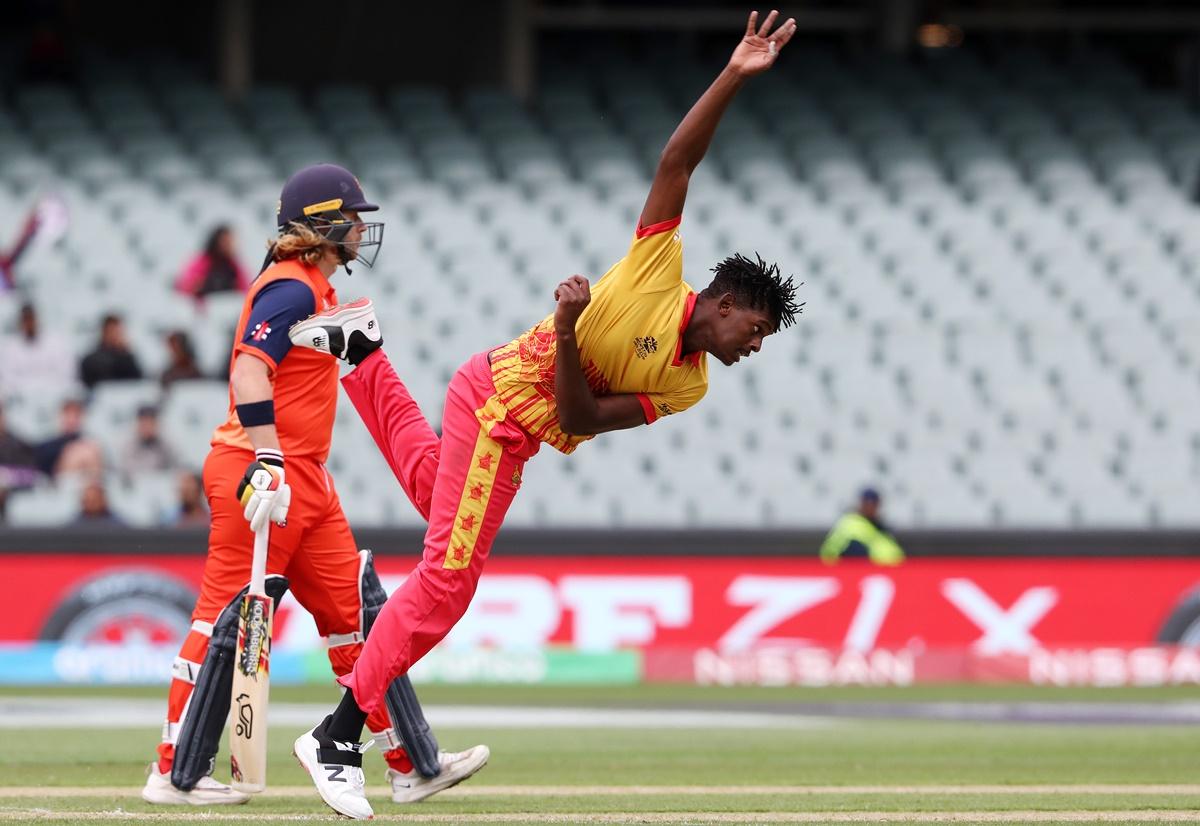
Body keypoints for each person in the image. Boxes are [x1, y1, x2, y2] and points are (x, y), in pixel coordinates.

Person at [287, 11, 800, 819]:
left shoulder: (690, 383)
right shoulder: (658, 266)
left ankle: (361, 354)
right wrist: (736, 72)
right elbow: (679, 158)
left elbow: (585, 415)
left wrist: (565, 330)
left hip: (511, 419)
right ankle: (337, 736)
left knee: (434, 504)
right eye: (757, 330)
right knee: (446, 583)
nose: (755, 347)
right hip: (496, 409)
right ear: (727, 302)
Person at [142, 163, 486, 808]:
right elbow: (248, 372)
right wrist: (268, 459)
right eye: (352, 217)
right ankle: (172, 771)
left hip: (309, 480)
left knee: (357, 621)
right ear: (323, 224)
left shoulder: (319, 293)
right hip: (260, 470)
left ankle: (412, 762)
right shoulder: (290, 290)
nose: (361, 228)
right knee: (222, 618)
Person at [0, 302, 75, 400]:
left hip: (54, 397)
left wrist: (45, 388)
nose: (29, 324)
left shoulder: (56, 342)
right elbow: (8, 379)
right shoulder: (10, 347)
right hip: (21, 398)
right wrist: (29, 389)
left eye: (31, 319)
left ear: (37, 319)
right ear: (20, 322)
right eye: (25, 320)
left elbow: (66, 374)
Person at [819, 487, 905, 566]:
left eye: (874, 503)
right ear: (861, 504)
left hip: (883, 574)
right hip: (859, 572)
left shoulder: (881, 528)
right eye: (867, 503)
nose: (870, 507)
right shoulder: (851, 524)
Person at [175, 225, 250, 300]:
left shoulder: (233, 265)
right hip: (205, 308)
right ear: (216, 241)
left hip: (229, 306)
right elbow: (185, 285)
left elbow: (246, 288)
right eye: (224, 241)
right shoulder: (203, 261)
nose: (228, 245)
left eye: (230, 241)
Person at [79, 313, 143, 389]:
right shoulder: (91, 360)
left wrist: (124, 354)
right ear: (103, 332)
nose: (115, 335)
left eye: (118, 332)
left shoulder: (129, 358)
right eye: (112, 331)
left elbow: (138, 380)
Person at [118, 404, 178, 478]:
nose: (147, 427)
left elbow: (175, 468)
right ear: (138, 424)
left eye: (150, 423)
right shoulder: (128, 446)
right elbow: (126, 470)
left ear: (156, 424)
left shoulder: (167, 444)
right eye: (144, 423)